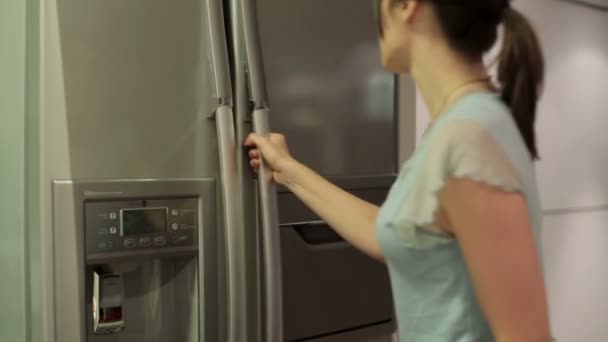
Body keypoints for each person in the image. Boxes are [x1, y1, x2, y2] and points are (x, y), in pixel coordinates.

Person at [245, 0, 552, 341]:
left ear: (405, 6)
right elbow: (397, 234)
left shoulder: (469, 139)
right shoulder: (461, 127)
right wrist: (289, 171)